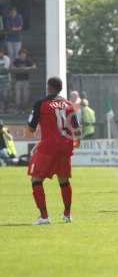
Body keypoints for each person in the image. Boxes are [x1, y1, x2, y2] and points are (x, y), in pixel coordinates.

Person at [27, 77, 80, 225]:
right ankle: (67, 215)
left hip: (49, 147)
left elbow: (31, 129)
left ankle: (44, 217)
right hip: (65, 146)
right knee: (63, 180)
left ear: (49, 87)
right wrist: (74, 143)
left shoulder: (41, 103)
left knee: (36, 180)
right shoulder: (69, 105)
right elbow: (77, 129)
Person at [0, 48, 10, 112]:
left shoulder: (6, 58)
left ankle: (5, 108)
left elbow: (6, 68)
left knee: (5, 95)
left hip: (5, 79)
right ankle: (1, 108)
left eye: (1, 53)